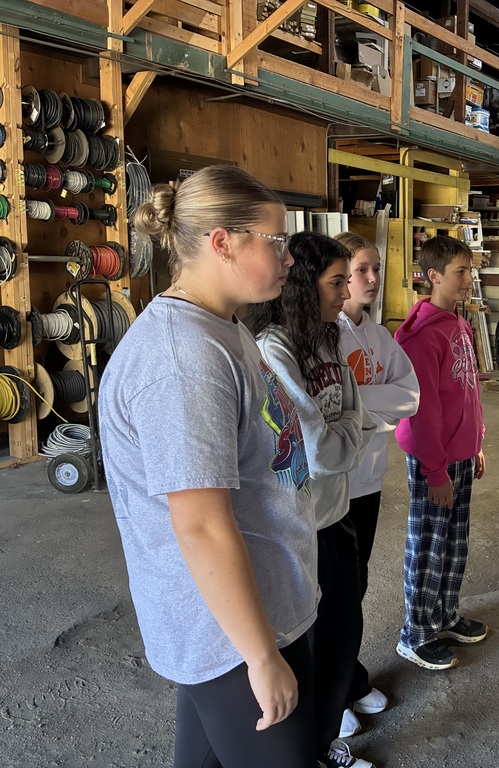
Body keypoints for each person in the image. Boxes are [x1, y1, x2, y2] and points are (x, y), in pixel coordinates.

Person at [99, 165, 320, 767]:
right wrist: (261, 657)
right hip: (232, 637)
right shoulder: (184, 360)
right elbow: (198, 525)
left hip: (251, 614)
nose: (289, 258)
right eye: (275, 241)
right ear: (222, 242)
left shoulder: (223, 326)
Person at [245, 232, 377, 768]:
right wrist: (346, 425)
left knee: (345, 634)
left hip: (338, 513)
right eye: (337, 281)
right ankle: (307, 753)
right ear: (305, 284)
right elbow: (320, 448)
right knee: (307, 650)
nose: (345, 293)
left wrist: (344, 425)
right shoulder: (272, 347)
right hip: (299, 527)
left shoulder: (327, 338)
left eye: (346, 281)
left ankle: (323, 747)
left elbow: (357, 416)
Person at [334, 232, 420, 736]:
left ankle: (350, 675)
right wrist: (371, 404)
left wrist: (358, 406)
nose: (370, 279)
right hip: (332, 484)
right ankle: (331, 693)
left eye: (374, 269)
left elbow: (409, 396)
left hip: (368, 482)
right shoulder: (328, 334)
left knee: (358, 585)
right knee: (334, 591)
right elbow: (328, 407)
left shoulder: (381, 337)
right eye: (359, 270)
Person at [394, 235, 487, 670]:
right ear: (434, 276)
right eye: (461, 272)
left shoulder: (460, 326)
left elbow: (468, 393)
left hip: (460, 455)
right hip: (435, 461)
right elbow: (420, 413)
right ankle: (415, 632)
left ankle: (444, 615)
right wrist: (435, 471)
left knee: (454, 542)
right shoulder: (420, 337)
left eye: (470, 270)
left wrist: (476, 443)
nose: (469, 279)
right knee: (428, 543)